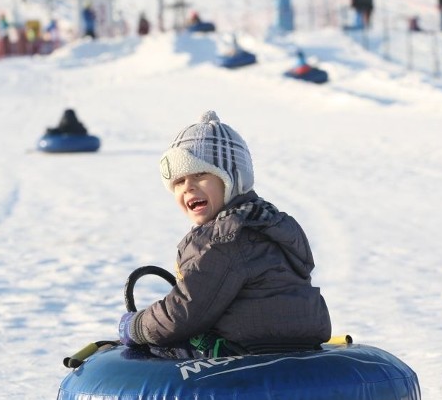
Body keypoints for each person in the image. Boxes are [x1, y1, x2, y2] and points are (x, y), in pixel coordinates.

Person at [117, 110, 331, 359]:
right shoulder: (266, 223)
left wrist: (136, 326)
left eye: (200, 175)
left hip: (241, 353)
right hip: (291, 346)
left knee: (152, 355)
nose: (188, 187)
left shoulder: (226, 239)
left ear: (234, 179)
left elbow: (185, 312)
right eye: (178, 181)